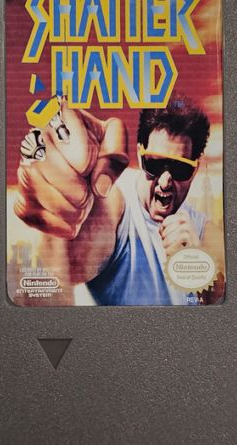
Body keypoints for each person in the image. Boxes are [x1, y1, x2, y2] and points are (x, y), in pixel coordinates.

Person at [14, 97, 225, 305]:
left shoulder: (204, 233)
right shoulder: (115, 202)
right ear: (140, 154)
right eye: (154, 164)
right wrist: (62, 195)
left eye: (179, 168)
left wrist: (196, 267)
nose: (164, 182)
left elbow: (226, 306)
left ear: (195, 169)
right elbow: (67, 250)